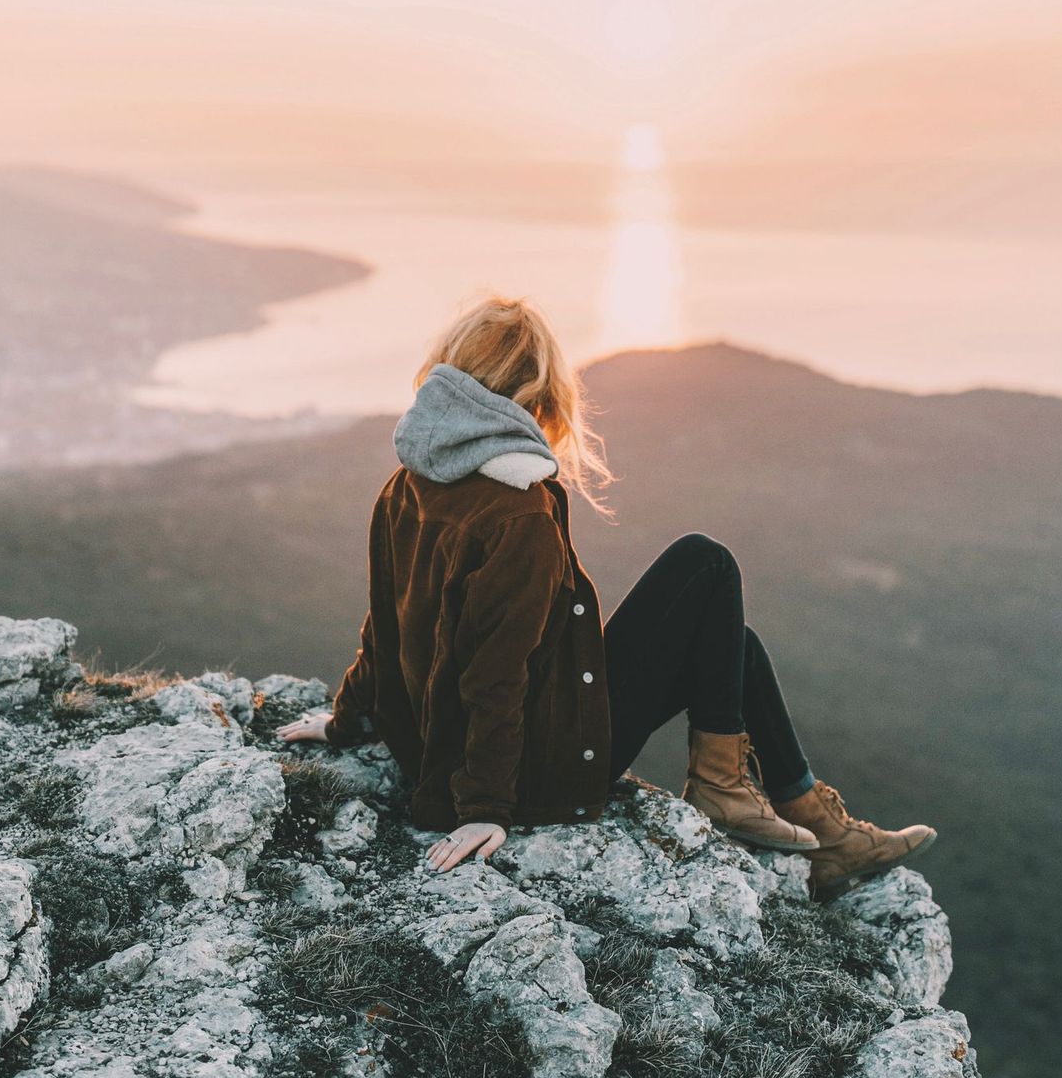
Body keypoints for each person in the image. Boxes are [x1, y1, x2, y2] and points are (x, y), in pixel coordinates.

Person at [278, 295, 935, 898]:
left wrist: (347, 718)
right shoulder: (518, 513)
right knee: (702, 564)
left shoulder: (406, 482)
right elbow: (494, 673)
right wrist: (484, 807)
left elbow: (386, 623)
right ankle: (724, 791)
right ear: (536, 396)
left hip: (462, 741)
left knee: (730, 645)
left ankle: (821, 834)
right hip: (543, 765)